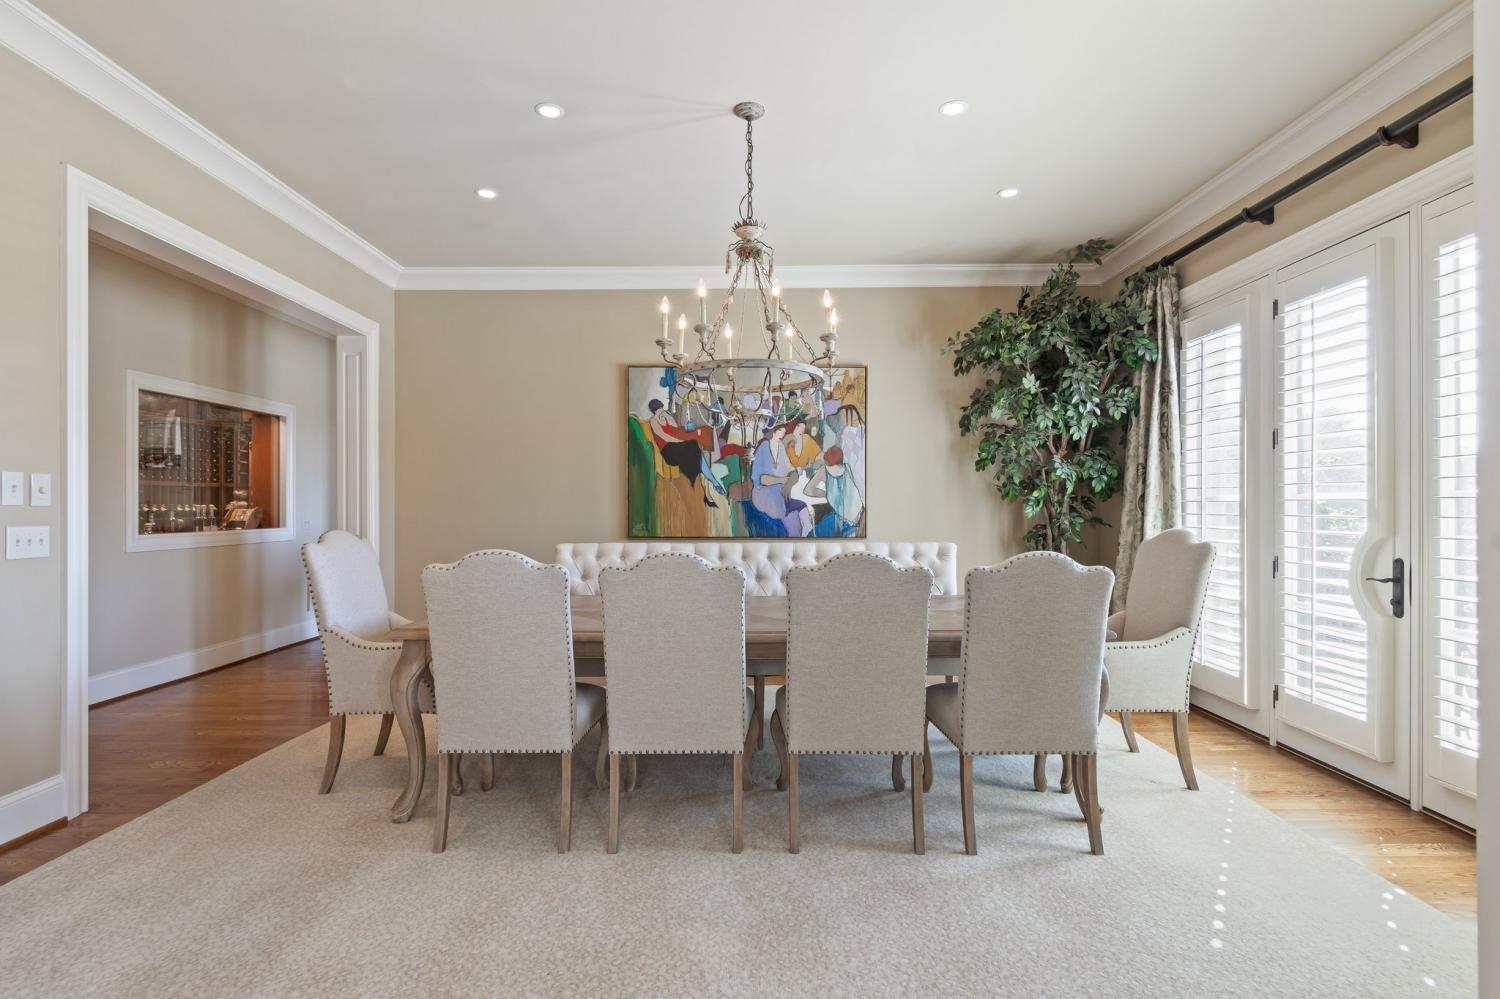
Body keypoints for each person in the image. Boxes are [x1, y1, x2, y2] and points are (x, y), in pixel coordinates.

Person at [647, 399, 723, 508]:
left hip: (675, 446)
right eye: (659, 408)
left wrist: (667, 417)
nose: (661, 409)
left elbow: (676, 428)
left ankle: (710, 482)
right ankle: (712, 482)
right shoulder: (653, 421)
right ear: (655, 410)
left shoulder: (665, 416)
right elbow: (665, 437)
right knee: (692, 445)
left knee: (695, 447)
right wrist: (680, 441)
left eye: (661, 407)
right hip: (667, 450)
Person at [750, 423, 811, 536]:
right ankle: (805, 528)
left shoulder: (781, 447)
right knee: (794, 506)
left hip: (780, 491)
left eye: (784, 431)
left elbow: (789, 468)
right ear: (773, 431)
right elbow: (761, 479)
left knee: (801, 502)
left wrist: (794, 473)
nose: (782, 434)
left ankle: (807, 528)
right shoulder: (763, 447)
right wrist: (783, 480)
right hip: (765, 494)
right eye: (780, 431)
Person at [805, 445, 862, 535]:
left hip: (841, 520)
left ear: (826, 460)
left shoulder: (824, 470)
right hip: (857, 520)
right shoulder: (847, 468)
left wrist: (827, 494)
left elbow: (807, 490)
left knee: (811, 536)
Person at [836, 404, 865, 503]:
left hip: (860, 475)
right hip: (856, 476)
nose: (842, 419)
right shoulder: (848, 432)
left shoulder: (855, 431)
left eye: (844, 416)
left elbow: (851, 457)